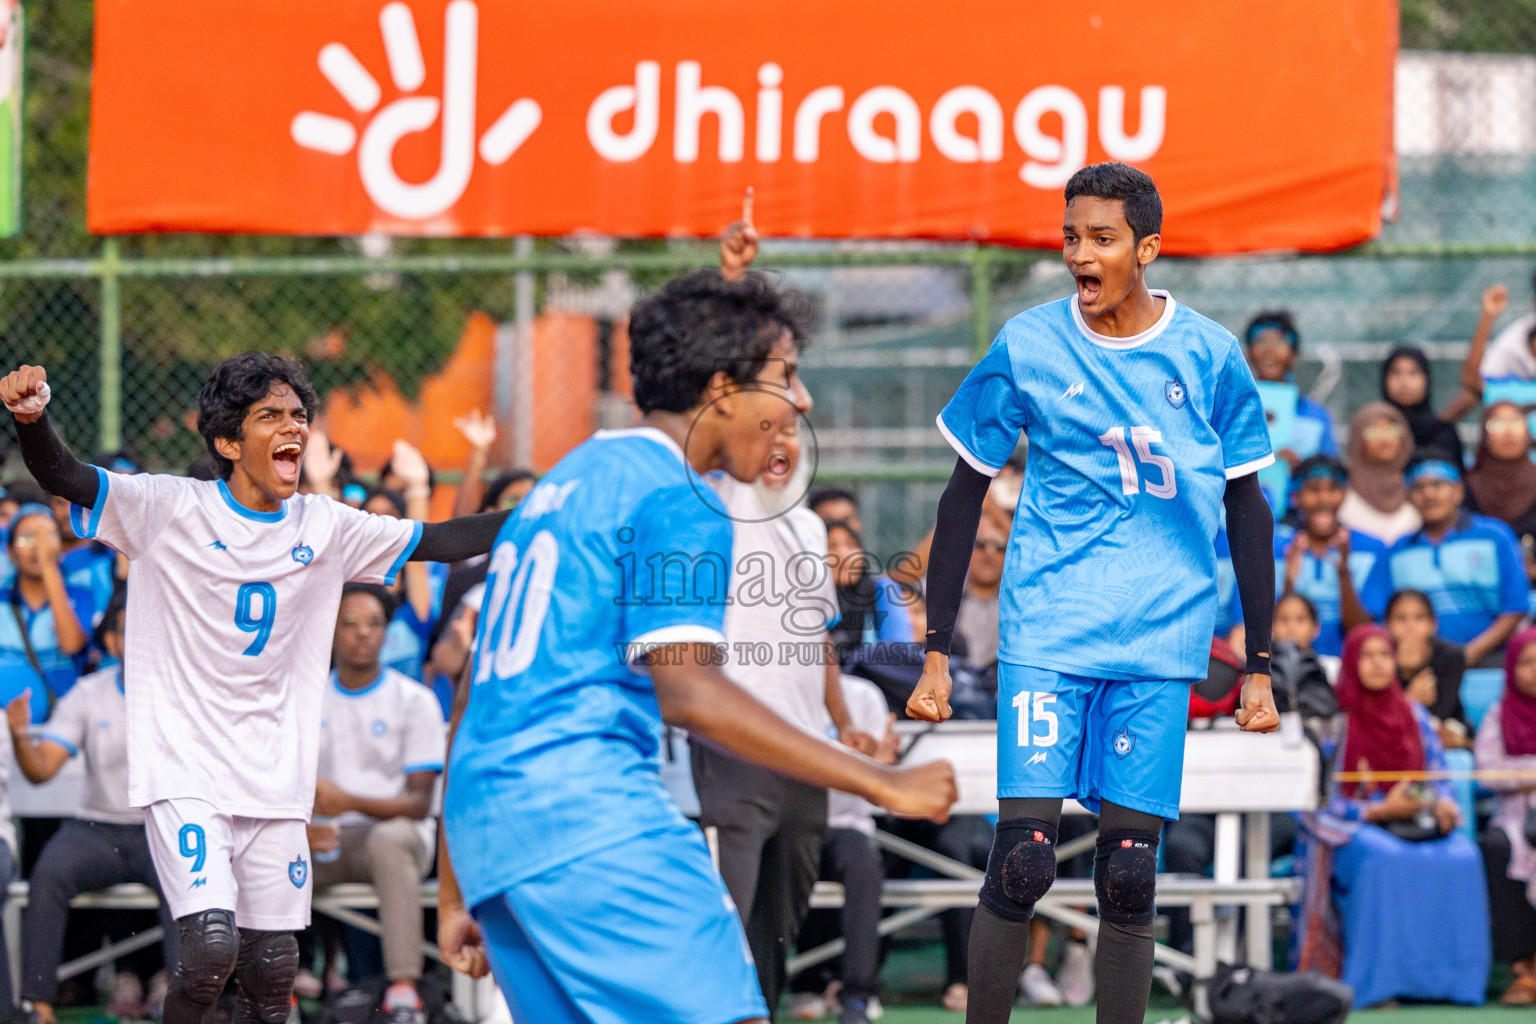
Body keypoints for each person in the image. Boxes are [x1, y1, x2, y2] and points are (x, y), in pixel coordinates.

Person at [436, 267, 957, 1024]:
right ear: (722, 389)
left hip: (497, 838)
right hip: (589, 817)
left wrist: (458, 887)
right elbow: (690, 690)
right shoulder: (678, 493)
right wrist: (878, 784)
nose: (802, 402)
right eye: (786, 378)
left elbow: (472, 697)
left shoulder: (563, 482)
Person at [0, 353, 510, 1024]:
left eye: (299, 415)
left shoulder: (326, 525)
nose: (292, 427)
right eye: (270, 416)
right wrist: (32, 419)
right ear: (227, 442)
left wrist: (553, 511)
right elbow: (64, 475)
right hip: (187, 769)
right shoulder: (168, 507)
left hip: (275, 775)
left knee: (272, 975)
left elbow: (443, 539)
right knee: (211, 949)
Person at [907, 162, 1279, 1024]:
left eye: (1102, 238)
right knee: (1025, 858)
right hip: (1051, 626)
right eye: (1071, 235)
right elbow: (964, 491)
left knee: (1129, 873)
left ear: (1146, 248)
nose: (1081, 253)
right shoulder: (1029, 344)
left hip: (1160, 637)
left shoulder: (1211, 356)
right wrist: (934, 647)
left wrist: (1257, 663)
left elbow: (1247, 506)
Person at [694, 409, 876, 1018]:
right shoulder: (706, 507)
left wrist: (842, 716)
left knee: (778, 926)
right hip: (733, 753)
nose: (783, 444)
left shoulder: (805, 526)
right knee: (727, 919)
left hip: (806, 757)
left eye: (792, 433)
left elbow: (818, 636)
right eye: (766, 428)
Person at [8, 594, 175, 1024]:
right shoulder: (89, 693)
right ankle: (37, 1003)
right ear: (114, 641)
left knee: (191, 882)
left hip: (163, 828)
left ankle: (184, 1000)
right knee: (48, 876)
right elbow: (42, 770)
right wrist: (22, 736)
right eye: (125, 631)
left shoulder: (182, 691)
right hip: (96, 829)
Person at [1319, 625, 1488, 1007]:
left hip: (1414, 819)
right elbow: (1318, 802)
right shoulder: (1334, 721)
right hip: (1355, 826)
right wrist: (1377, 809)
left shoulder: (1414, 714)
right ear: (1350, 663)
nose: (1378, 663)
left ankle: (1453, 985)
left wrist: (1442, 803)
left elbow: (1435, 776)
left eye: (1385, 654)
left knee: (1465, 856)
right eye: (1367, 655)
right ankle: (1379, 986)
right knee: (1383, 858)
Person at [312, 583, 446, 1024]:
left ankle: (404, 991)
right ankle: (268, 985)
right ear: (330, 630)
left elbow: (419, 804)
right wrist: (298, 829)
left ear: (388, 633)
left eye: (373, 624)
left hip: (398, 838)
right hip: (327, 839)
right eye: (349, 624)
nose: (362, 634)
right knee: (269, 848)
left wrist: (347, 800)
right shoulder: (306, 701)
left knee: (390, 841)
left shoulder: (414, 699)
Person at [786, 676, 897, 1024]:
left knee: (863, 865)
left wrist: (880, 756)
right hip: (787, 823)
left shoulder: (863, 694)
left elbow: (881, 771)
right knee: (770, 872)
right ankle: (776, 990)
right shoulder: (782, 685)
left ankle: (858, 996)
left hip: (847, 823)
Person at [1363, 455, 1526, 667]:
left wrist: (1466, 656)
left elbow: (1515, 608)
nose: (1428, 494)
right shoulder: (1396, 551)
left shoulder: (1495, 537)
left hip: (1491, 664)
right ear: (1408, 497)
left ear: (1458, 491)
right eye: (1418, 487)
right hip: (1420, 671)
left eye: (1438, 484)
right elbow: (1374, 615)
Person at [1474, 626, 1536, 1005]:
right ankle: (1524, 966)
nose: (1535, 670)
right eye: (1527, 662)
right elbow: (1485, 770)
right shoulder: (1500, 714)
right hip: (1515, 819)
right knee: (1497, 847)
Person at [1274, 456, 1384, 657]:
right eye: (1313, 490)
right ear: (1296, 497)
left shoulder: (1371, 548)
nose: (1323, 499)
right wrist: (1289, 581)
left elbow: (1362, 633)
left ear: (1345, 493)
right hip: (1290, 668)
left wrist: (1343, 573)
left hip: (1349, 670)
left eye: (1332, 489)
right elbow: (1273, 630)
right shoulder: (1276, 550)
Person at [0, 502, 92, 722]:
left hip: (65, 728)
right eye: (27, 539)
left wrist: (49, 566)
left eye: (47, 537)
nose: (37, 547)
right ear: (10, 551)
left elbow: (71, 644)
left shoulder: (80, 596)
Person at [1243, 310, 1338, 467]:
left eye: (1279, 342)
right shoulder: (1234, 409)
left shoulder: (1316, 417)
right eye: (1260, 342)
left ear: (1295, 354)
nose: (1269, 350)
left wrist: (1303, 470)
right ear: (1248, 353)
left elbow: (1330, 471)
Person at [1386, 588, 1471, 748]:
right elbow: (1383, 712)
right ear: (1387, 625)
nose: (1410, 626)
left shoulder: (1451, 656)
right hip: (1394, 732)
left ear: (1433, 624)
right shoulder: (1382, 656)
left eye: (1419, 618)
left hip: (1446, 728)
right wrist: (1409, 694)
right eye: (1400, 618)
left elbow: (1442, 710)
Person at [1338, 403, 1420, 545]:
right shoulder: (1340, 488)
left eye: (1392, 429)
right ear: (1357, 439)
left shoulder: (1421, 485)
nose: (1385, 439)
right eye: (1373, 431)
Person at [1465, 401, 1536, 539]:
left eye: (1516, 421)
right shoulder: (1467, 487)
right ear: (1485, 437)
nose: (1508, 431)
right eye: (1497, 424)